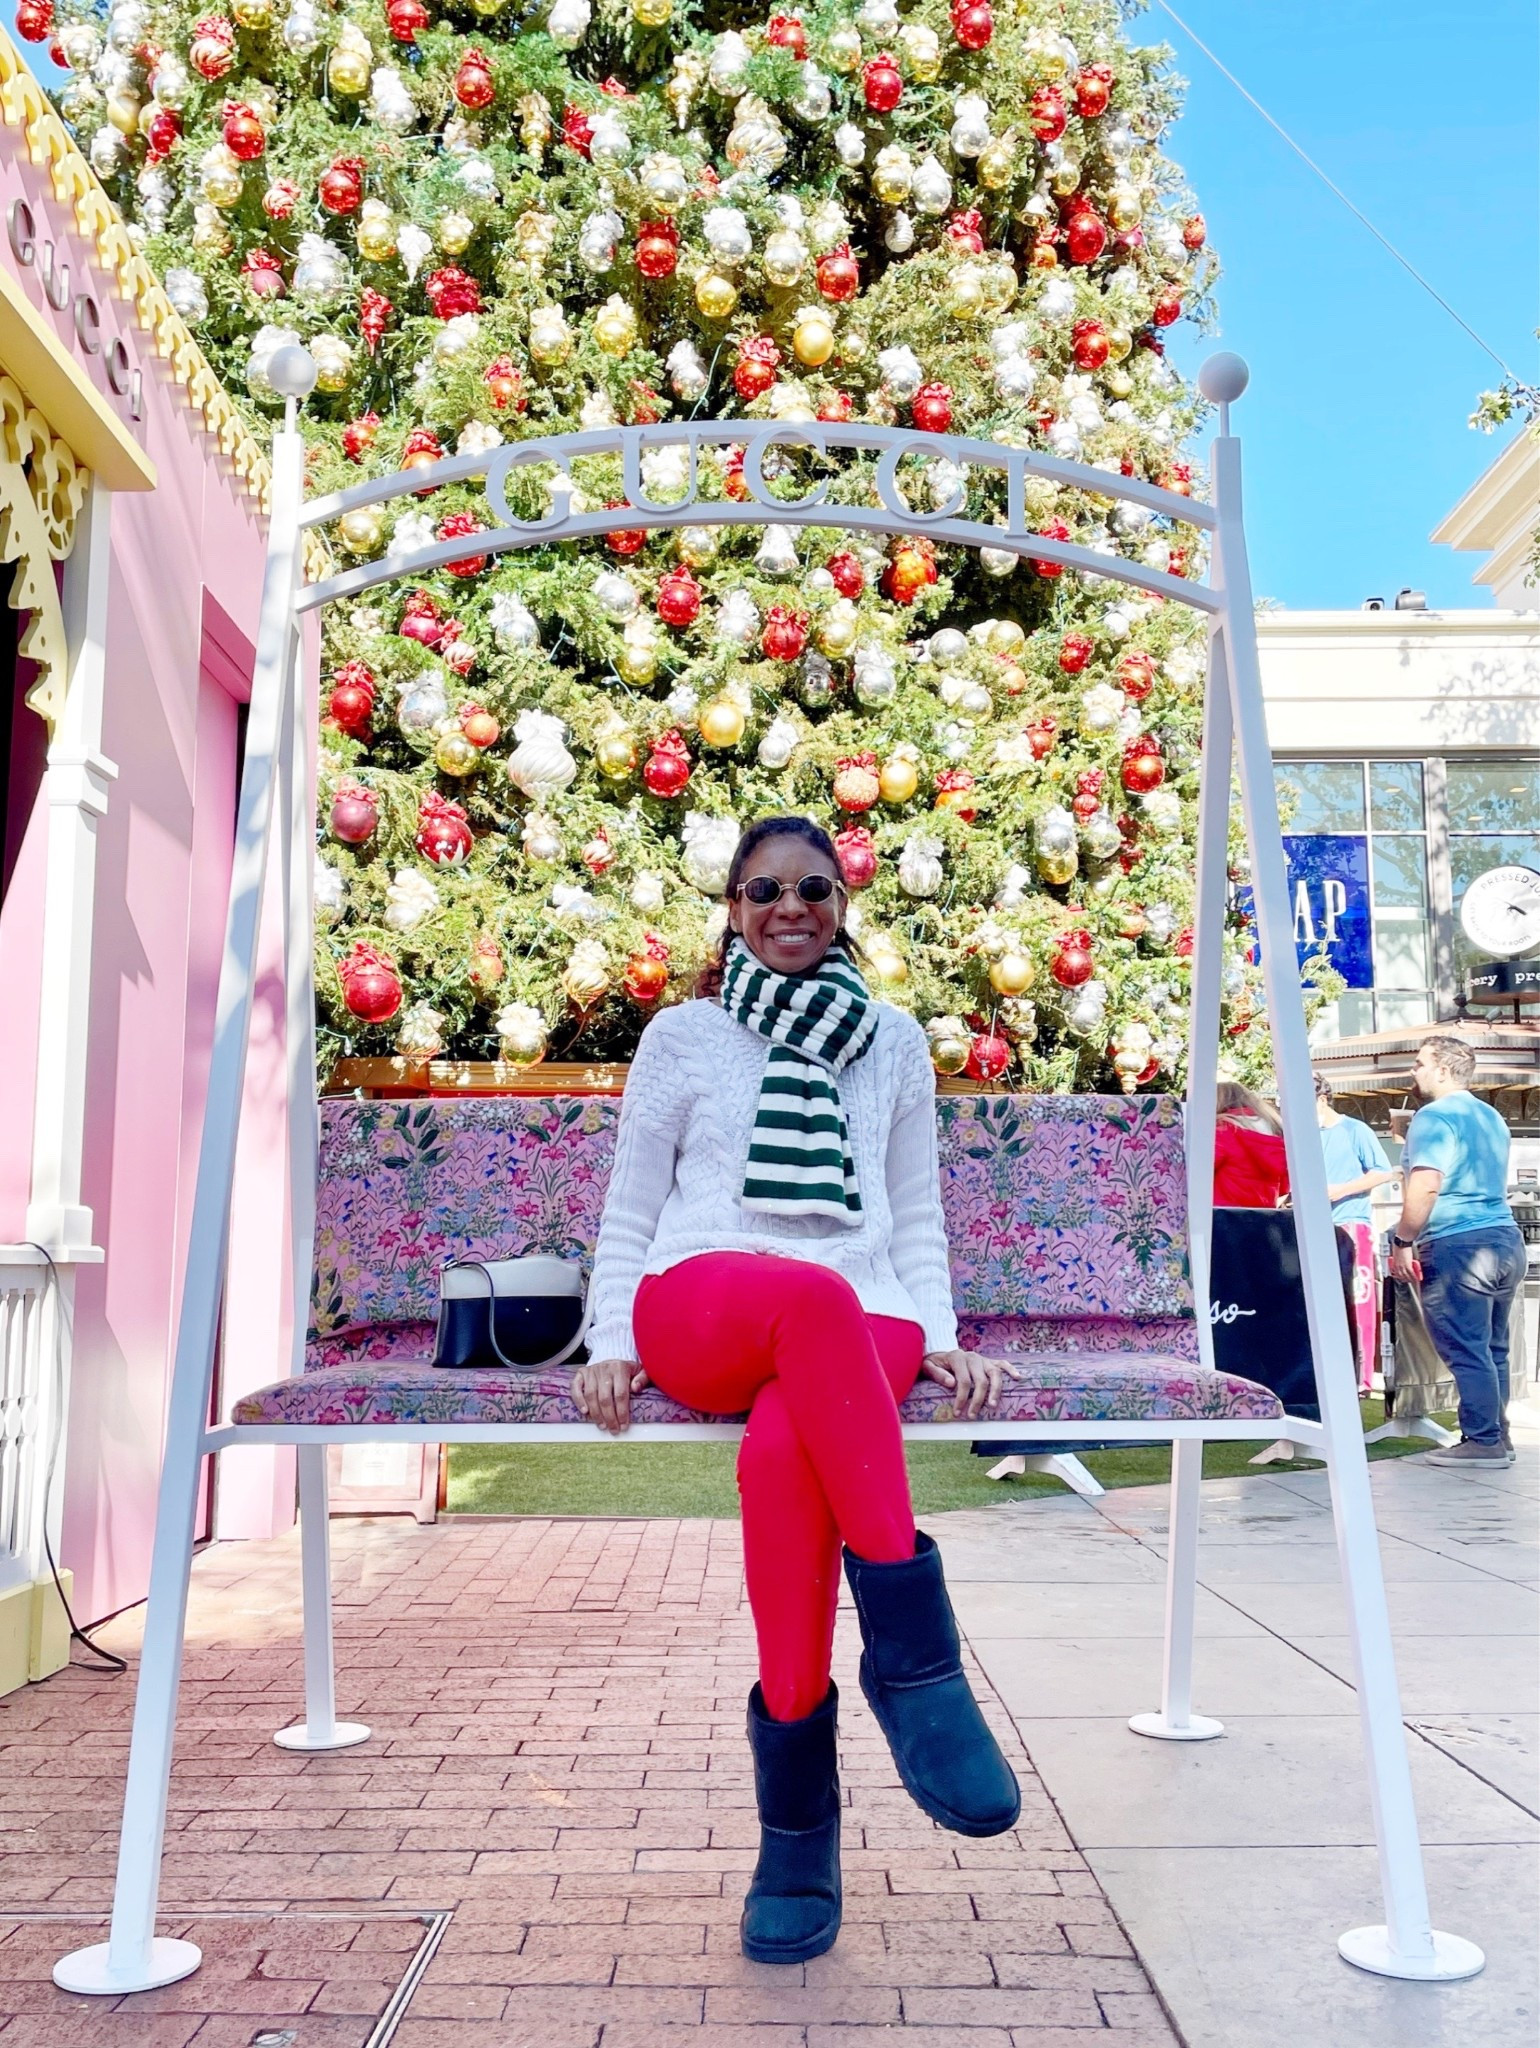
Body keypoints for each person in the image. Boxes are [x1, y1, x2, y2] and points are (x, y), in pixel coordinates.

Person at [572, 816, 1020, 1966]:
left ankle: (795, 1837)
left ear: (840, 902)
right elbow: (631, 1202)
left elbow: (912, 1208)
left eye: (814, 887)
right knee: (808, 1301)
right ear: (730, 905)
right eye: (765, 888)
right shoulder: (683, 1034)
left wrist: (937, 1334)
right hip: (704, 1297)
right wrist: (609, 1333)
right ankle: (918, 1669)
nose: (791, 906)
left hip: (857, 1305)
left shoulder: (892, 1041)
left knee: (785, 1448)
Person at [1388, 1035, 1523, 1467]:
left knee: (1466, 1348)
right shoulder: (1490, 1116)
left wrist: (1402, 1241)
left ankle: (1483, 1442)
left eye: (1419, 1063)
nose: (1413, 1071)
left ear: (1442, 1070)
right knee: (1490, 1348)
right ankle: (1496, 1438)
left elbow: (1426, 1185)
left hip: (1458, 1244)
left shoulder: (1434, 1116)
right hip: (1503, 1238)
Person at [1315, 1074, 1398, 1393]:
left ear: (1322, 1099)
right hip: (1312, 1225)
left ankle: (1361, 1379)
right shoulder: (1301, 1135)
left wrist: (1340, 1191)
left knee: (1358, 1301)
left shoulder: (1354, 1130)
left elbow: (1382, 1171)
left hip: (1351, 1223)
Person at [1213, 1081, 1290, 1208]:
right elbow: (1283, 1188)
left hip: (1219, 1218)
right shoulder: (1276, 1132)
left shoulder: (1223, 1130)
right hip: (1261, 1219)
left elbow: (1195, 1174)